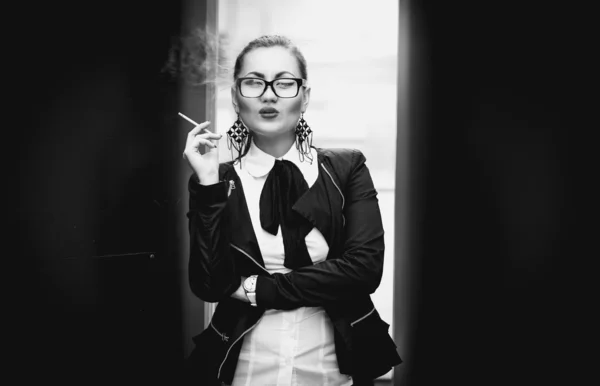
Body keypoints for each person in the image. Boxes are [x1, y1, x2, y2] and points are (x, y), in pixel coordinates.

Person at [182, 35, 402, 386]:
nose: (269, 94)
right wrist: (208, 184)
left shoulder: (347, 167)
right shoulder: (220, 177)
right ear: (236, 98)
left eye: (284, 83)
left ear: (305, 96)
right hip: (248, 364)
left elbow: (364, 269)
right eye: (253, 83)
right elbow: (209, 284)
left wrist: (257, 289)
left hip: (333, 364)